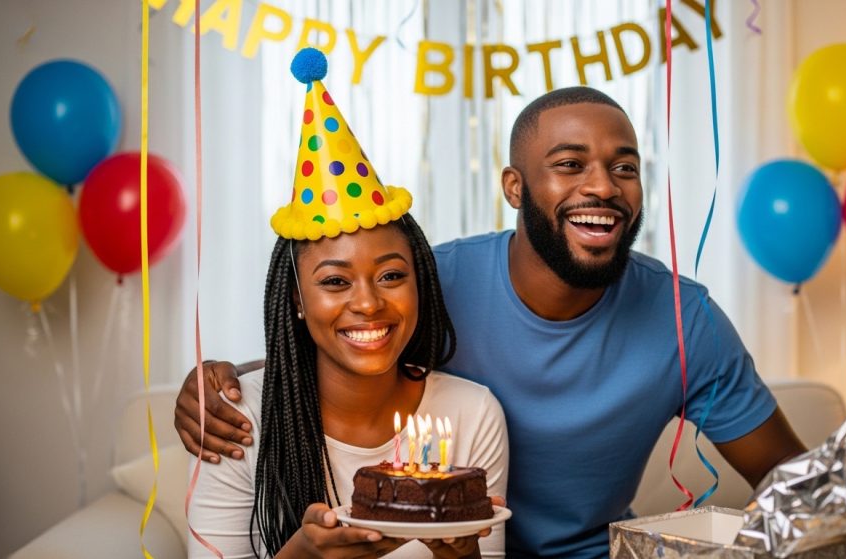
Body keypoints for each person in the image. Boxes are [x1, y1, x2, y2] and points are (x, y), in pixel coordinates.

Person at [177, 86, 806, 558]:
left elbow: (791, 480)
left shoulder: (684, 318)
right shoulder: (437, 282)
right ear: (514, 185)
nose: (604, 186)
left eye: (624, 167)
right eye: (569, 164)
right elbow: (350, 333)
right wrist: (221, 377)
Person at [186, 48, 509, 559]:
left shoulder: (472, 414)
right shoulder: (238, 418)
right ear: (296, 298)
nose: (368, 302)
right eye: (336, 282)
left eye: (391, 275)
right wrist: (304, 556)